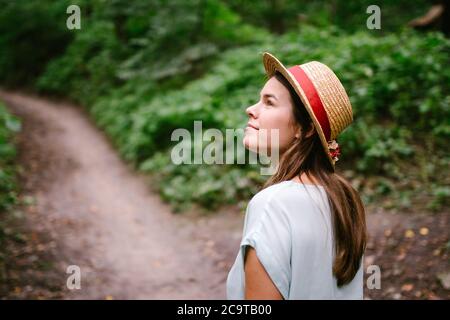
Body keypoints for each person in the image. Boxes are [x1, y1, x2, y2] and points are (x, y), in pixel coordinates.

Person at [226, 52, 367, 300]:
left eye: (269, 102)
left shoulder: (272, 204)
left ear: (305, 128)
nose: (251, 110)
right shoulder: (345, 199)